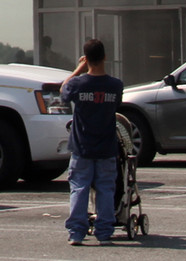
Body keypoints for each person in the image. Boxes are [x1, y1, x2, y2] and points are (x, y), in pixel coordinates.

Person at [60, 39, 125, 245]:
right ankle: (104, 231)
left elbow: (63, 90)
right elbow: (117, 104)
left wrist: (78, 68)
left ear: (86, 59)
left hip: (82, 146)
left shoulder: (78, 84)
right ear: (105, 57)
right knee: (106, 188)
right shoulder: (115, 85)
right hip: (106, 146)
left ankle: (77, 232)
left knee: (79, 187)